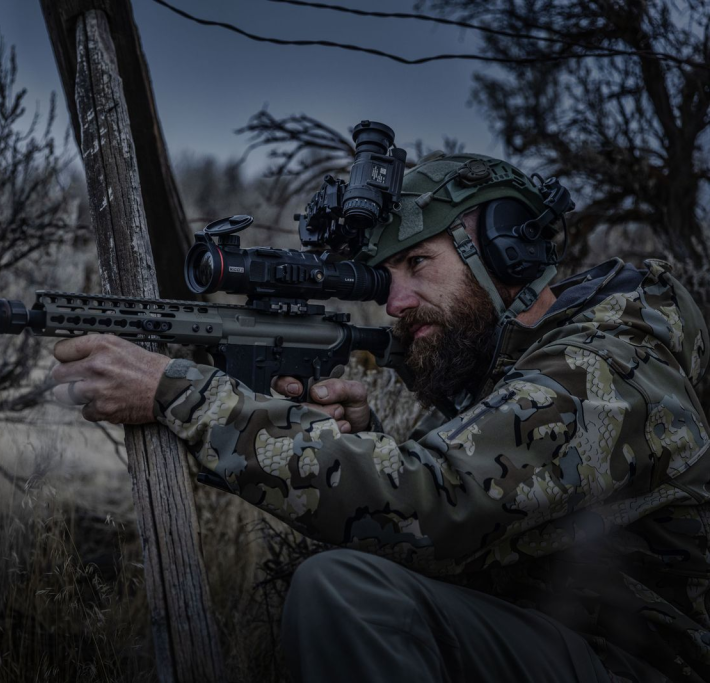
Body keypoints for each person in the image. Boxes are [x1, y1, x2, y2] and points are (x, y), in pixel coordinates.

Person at [49, 152, 710, 682]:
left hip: (640, 664)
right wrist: (367, 438)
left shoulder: (606, 367)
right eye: (386, 276)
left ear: (507, 251)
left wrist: (178, 392)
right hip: (560, 640)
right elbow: (475, 520)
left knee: (347, 592)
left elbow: (439, 497)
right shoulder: (504, 367)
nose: (395, 301)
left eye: (418, 263)